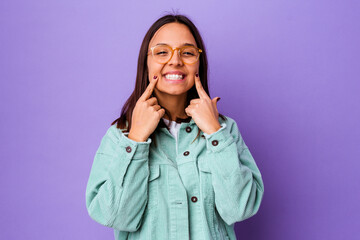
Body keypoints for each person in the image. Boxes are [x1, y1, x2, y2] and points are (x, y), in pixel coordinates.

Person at [85, 14, 264, 240]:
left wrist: (214, 133)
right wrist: (137, 138)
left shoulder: (225, 131)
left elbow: (241, 209)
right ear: (145, 62)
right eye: (162, 52)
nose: (175, 60)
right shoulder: (119, 136)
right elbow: (113, 216)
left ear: (199, 63)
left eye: (187, 52)